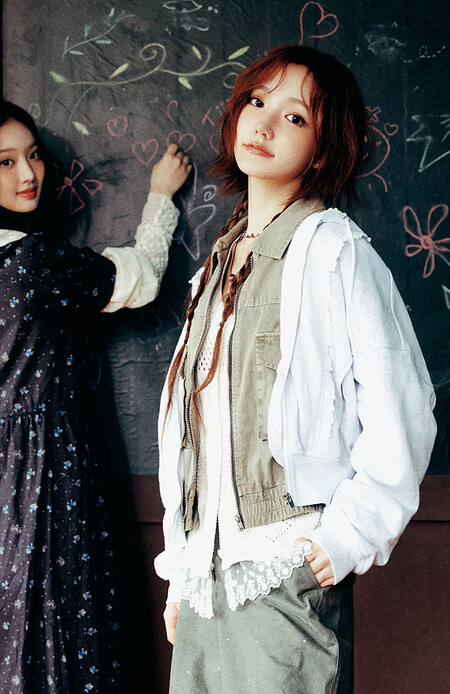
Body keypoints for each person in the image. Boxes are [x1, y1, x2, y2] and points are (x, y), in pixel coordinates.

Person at [155, 45, 437, 693]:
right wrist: (182, 569)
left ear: (323, 149)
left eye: (295, 117)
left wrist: (345, 537)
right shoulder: (216, 267)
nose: (263, 123)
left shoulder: (336, 250)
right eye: (257, 101)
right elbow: (188, 432)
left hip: (285, 571)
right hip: (204, 582)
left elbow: (404, 407)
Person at [0, 99, 191, 693]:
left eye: (33, 155)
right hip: (43, 468)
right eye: (5, 162)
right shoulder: (33, 260)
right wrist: (160, 196)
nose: (28, 173)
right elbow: (143, 277)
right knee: (57, 614)